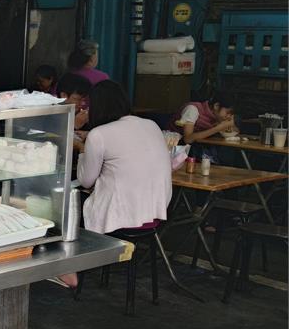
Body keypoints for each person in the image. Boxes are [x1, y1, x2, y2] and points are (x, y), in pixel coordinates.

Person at [77, 80, 172, 235]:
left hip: (120, 218)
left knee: (70, 201)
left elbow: (86, 181)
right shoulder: (151, 125)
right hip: (154, 213)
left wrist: (82, 149)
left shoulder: (98, 134)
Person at [172, 93, 237, 144]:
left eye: (231, 114)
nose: (229, 116)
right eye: (228, 112)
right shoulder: (192, 109)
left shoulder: (215, 118)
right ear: (216, 106)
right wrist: (218, 128)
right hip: (173, 146)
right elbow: (187, 139)